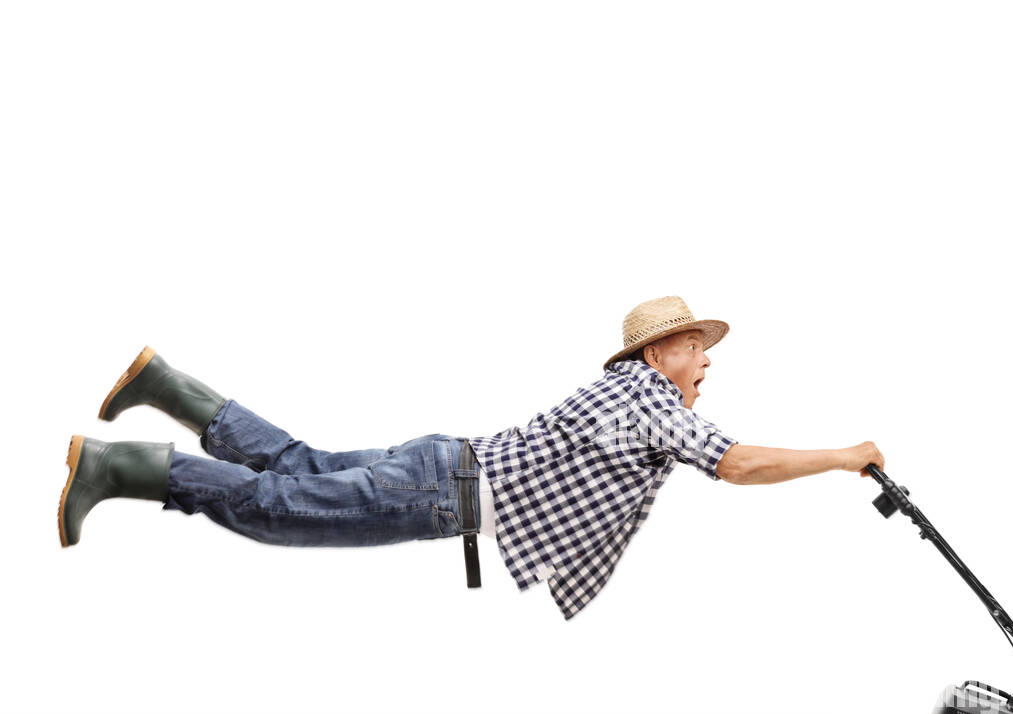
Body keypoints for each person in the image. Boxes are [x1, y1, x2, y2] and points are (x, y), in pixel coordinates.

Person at [58, 295, 886, 618]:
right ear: (659, 353)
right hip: (438, 491)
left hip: (443, 464)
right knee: (277, 512)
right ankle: (121, 468)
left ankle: (164, 383)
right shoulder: (650, 400)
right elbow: (737, 464)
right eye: (697, 347)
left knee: (297, 469)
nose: (708, 359)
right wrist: (844, 455)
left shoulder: (636, 399)